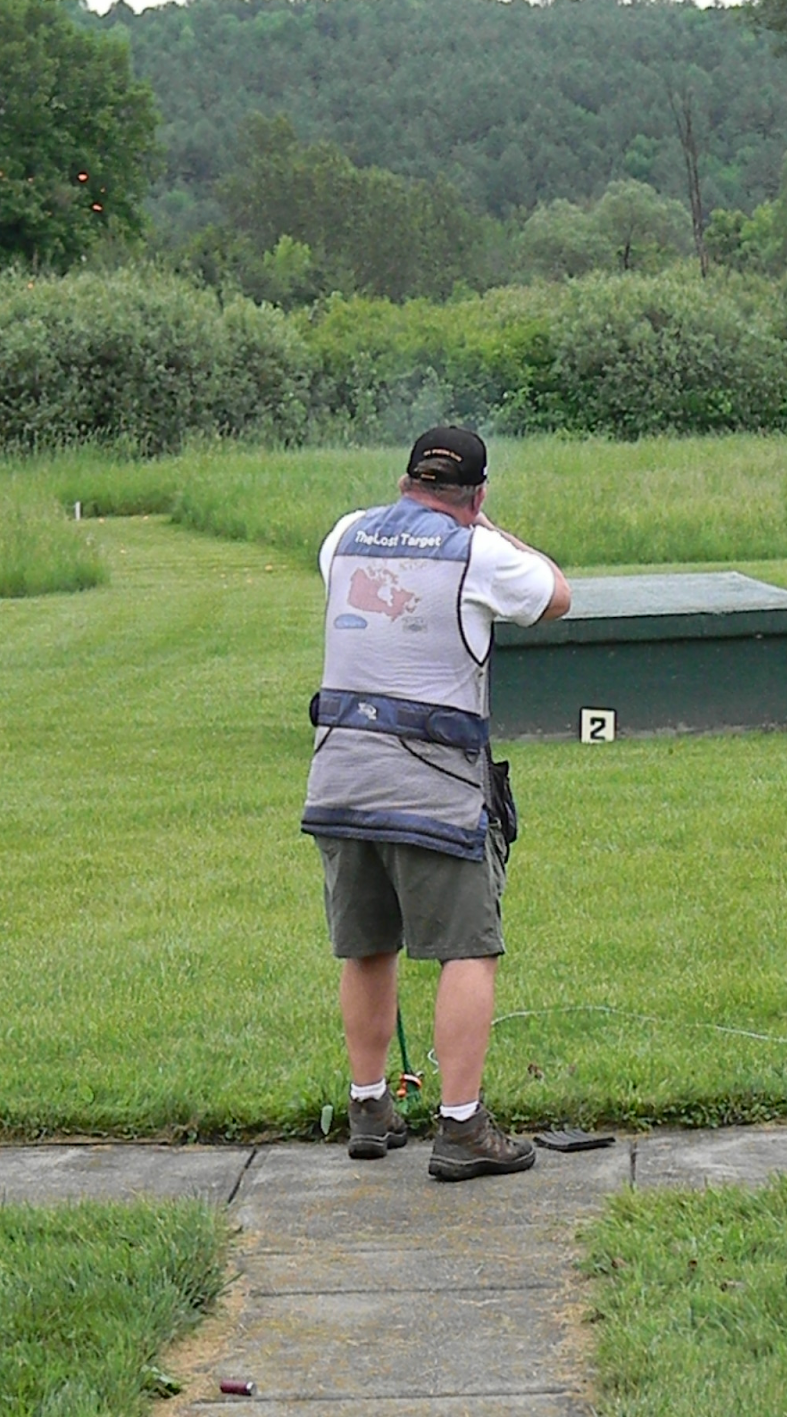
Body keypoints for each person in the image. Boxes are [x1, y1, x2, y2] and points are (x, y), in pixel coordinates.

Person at [301, 425, 571, 1180]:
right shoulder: (480, 551)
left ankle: (368, 1104)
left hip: (340, 778)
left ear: (404, 482)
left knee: (366, 944)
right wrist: (491, 529)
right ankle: (461, 1126)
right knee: (467, 948)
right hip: (433, 788)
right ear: (476, 494)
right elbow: (556, 595)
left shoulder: (345, 535)